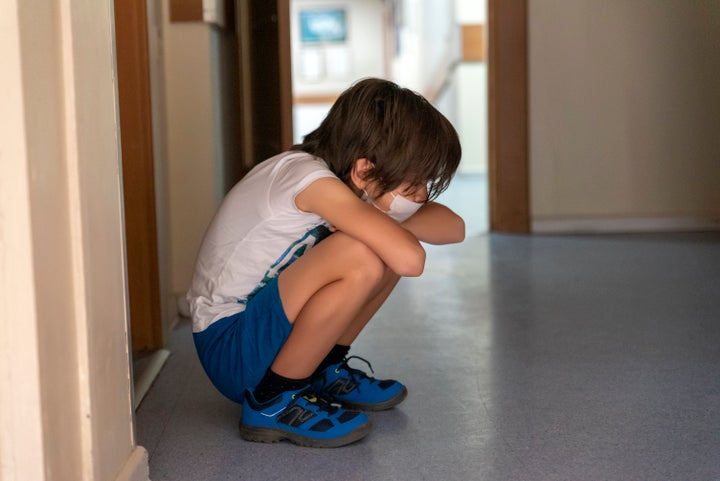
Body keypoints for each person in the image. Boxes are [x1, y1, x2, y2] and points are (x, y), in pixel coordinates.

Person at [187, 77, 465, 448]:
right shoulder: (308, 179)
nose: (422, 195)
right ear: (365, 170)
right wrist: (376, 220)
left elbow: (455, 228)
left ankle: (322, 369)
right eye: (413, 185)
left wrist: (380, 214)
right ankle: (273, 399)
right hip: (229, 345)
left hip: (257, 335)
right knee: (364, 252)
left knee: (381, 242)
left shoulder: (350, 183)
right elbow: (412, 260)